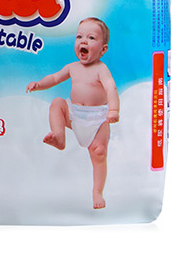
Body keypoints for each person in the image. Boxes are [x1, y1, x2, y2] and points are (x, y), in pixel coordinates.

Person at [26, 17, 119, 209]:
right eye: (79, 37)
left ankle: (97, 192)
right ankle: (59, 136)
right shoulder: (72, 68)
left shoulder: (101, 69)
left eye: (91, 38)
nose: (84, 41)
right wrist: (39, 84)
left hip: (98, 117)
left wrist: (113, 110)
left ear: (103, 49)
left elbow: (111, 88)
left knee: (99, 153)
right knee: (57, 104)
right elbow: (54, 78)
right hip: (75, 114)